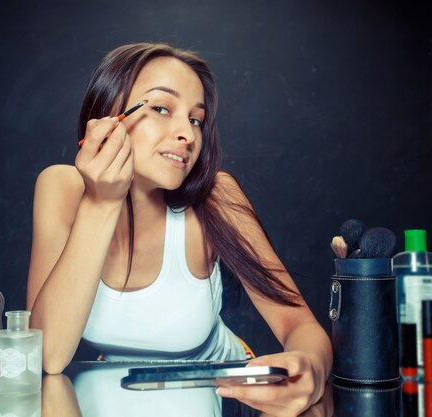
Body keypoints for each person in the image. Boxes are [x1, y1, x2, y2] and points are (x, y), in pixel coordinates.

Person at [26, 42, 332, 416]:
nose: (187, 134)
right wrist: (102, 202)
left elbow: (300, 324)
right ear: (108, 116)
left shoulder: (216, 196)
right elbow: (50, 356)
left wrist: (311, 370)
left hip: (227, 400)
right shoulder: (61, 187)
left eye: (196, 119)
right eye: (161, 108)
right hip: (120, 398)